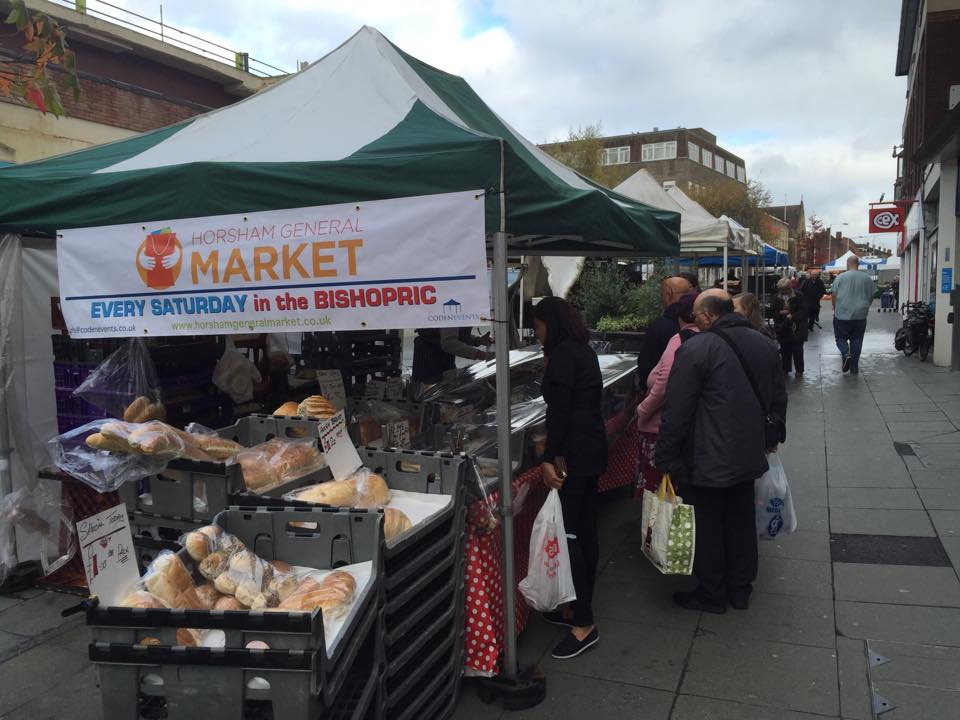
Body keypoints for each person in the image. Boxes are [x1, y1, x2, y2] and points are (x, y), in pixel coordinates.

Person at [655, 290, 788, 613]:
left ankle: (712, 591)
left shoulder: (697, 348)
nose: (696, 322)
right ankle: (740, 588)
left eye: (698, 317)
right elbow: (778, 399)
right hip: (748, 452)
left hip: (707, 455)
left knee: (708, 523)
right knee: (740, 519)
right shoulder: (764, 343)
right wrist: (772, 438)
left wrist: (666, 455)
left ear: (708, 316)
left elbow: (677, 408)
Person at [533, 297, 607, 659]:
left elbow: (559, 412)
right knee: (584, 531)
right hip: (592, 448)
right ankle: (572, 606)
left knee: (572, 536)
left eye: (538, 325)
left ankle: (584, 623)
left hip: (574, 454)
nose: (536, 332)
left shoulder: (563, 355)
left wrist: (549, 459)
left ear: (550, 323)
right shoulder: (583, 350)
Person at [636, 292, 700, 497]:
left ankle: (664, 528)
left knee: (660, 493)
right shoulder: (711, 338)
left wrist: (642, 411)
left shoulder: (679, 340)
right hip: (691, 428)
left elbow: (663, 385)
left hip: (661, 427)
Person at [636, 276, 694, 388]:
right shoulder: (698, 322)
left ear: (668, 294)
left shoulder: (660, 326)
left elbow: (647, 364)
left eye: (661, 294)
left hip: (663, 393)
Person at [831, 256, 876, 374]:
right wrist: (866, 306)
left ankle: (846, 354)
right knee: (856, 340)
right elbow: (872, 296)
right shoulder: (867, 278)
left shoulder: (840, 277)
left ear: (847, 263)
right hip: (860, 315)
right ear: (858, 264)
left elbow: (834, 295)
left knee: (840, 338)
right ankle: (854, 367)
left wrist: (835, 308)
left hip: (842, 314)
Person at [411, 327, 492, 391]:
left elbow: (455, 334)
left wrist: (476, 341)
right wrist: (480, 354)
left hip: (444, 360)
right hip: (429, 363)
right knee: (433, 401)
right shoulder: (452, 311)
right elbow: (448, 343)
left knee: (448, 392)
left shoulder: (465, 311)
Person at [771, 279, 809, 376]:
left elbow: (804, 311)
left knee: (798, 350)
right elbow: (772, 311)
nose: (783, 291)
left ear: (789, 287)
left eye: (784, 289)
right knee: (785, 350)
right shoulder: (776, 297)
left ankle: (799, 370)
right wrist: (780, 313)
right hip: (783, 327)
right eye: (781, 289)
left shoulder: (798, 295)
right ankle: (785, 369)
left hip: (797, 327)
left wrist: (793, 315)